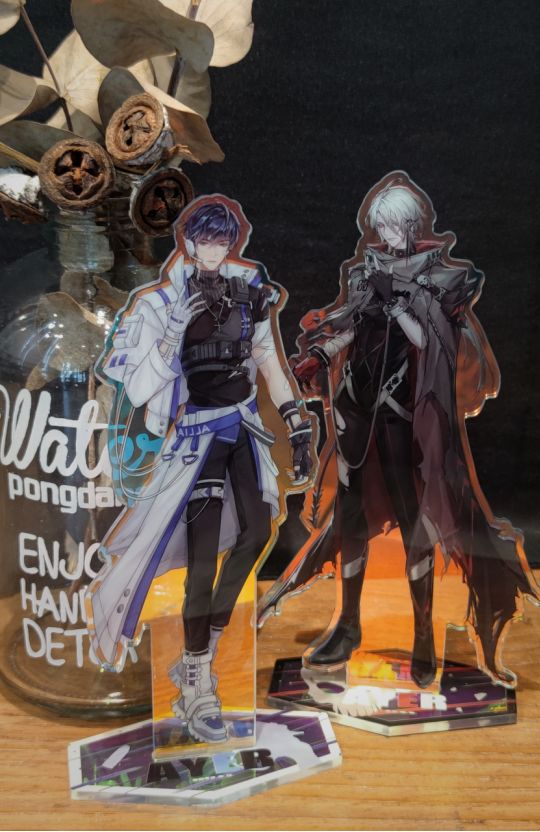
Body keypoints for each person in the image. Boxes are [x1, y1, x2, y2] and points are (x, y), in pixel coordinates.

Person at [259, 172, 540, 690]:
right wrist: (321, 352)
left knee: (417, 524)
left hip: (406, 422)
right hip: (356, 416)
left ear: (412, 226)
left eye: (395, 228)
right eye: (382, 228)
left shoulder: (440, 279)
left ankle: (423, 635)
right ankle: (348, 624)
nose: (388, 237)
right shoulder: (366, 272)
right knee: (349, 522)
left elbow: (431, 341)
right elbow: (352, 325)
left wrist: (401, 306)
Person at [86, 195, 312, 742]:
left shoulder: (248, 291)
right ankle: (196, 682)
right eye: (205, 240)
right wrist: (171, 333)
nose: (213, 250)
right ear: (188, 243)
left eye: (221, 241)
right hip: (196, 439)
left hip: (242, 428)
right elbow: (141, 387)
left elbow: (268, 361)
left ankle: (203, 646)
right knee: (202, 560)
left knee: (258, 531)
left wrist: (296, 421)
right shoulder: (160, 303)